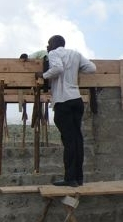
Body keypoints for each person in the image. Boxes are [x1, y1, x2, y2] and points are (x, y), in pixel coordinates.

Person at [37, 35, 96, 187]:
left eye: (49, 44)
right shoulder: (75, 54)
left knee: (69, 141)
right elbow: (91, 68)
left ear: (55, 44)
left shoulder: (54, 53)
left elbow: (57, 68)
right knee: (77, 140)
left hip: (63, 101)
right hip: (77, 100)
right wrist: (75, 71)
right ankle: (78, 178)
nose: (47, 47)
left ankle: (70, 179)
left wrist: (43, 76)